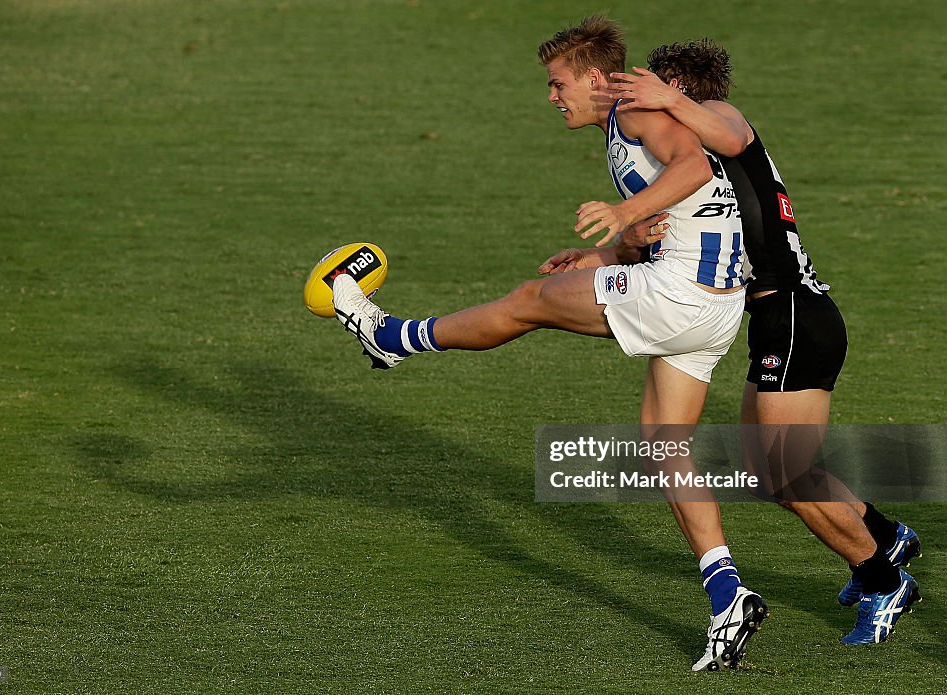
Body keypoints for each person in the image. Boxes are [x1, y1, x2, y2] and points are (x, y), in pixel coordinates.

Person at [332, 16, 766, 671]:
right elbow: (665, 217)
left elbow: (698, 166)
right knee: (663, 443)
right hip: (714, 309)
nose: (552, 95)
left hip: (680, 295)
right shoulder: (624, 125)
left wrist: (622, 214)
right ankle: (726, 592)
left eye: (558, 82)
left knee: (528, 302)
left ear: (596, 78)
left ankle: (393, 337)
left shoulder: (634, 108)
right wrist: (602, 253)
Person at [595, 39, 921, 645]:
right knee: (768, 468)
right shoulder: (691, 157)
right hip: (781, 319)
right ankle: (886, 533)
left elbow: (736, 135)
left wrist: (668, 100)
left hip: (796, 314)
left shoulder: (726, 122)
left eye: (658, 96)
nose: (647, 112)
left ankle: (881, 579)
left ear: (683, 93)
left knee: (784, 473)